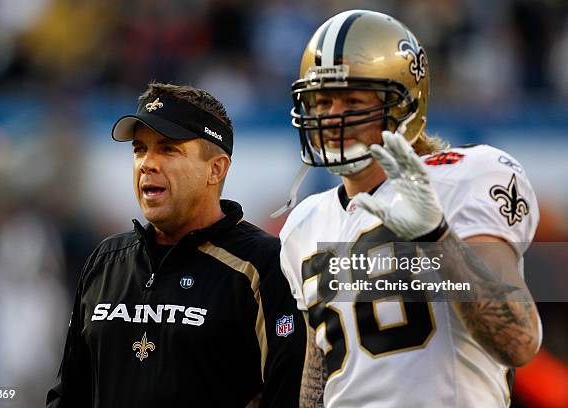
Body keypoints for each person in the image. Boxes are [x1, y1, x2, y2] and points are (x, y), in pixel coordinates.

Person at [279, 10, 542, 408]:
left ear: (404, 105)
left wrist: (437, 237)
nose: (332, 117)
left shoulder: (464, 178)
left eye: (352, 99)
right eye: (322, 101)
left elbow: (520, 342)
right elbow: (320, 375)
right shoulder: (305, 222)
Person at [47, 82, 305, 407]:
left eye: (168, 149)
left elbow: (288, 395)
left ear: (216, 169)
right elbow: (69, 393)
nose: (147, 163)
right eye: (139, 149)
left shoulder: (263, 265)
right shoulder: (107, 260)